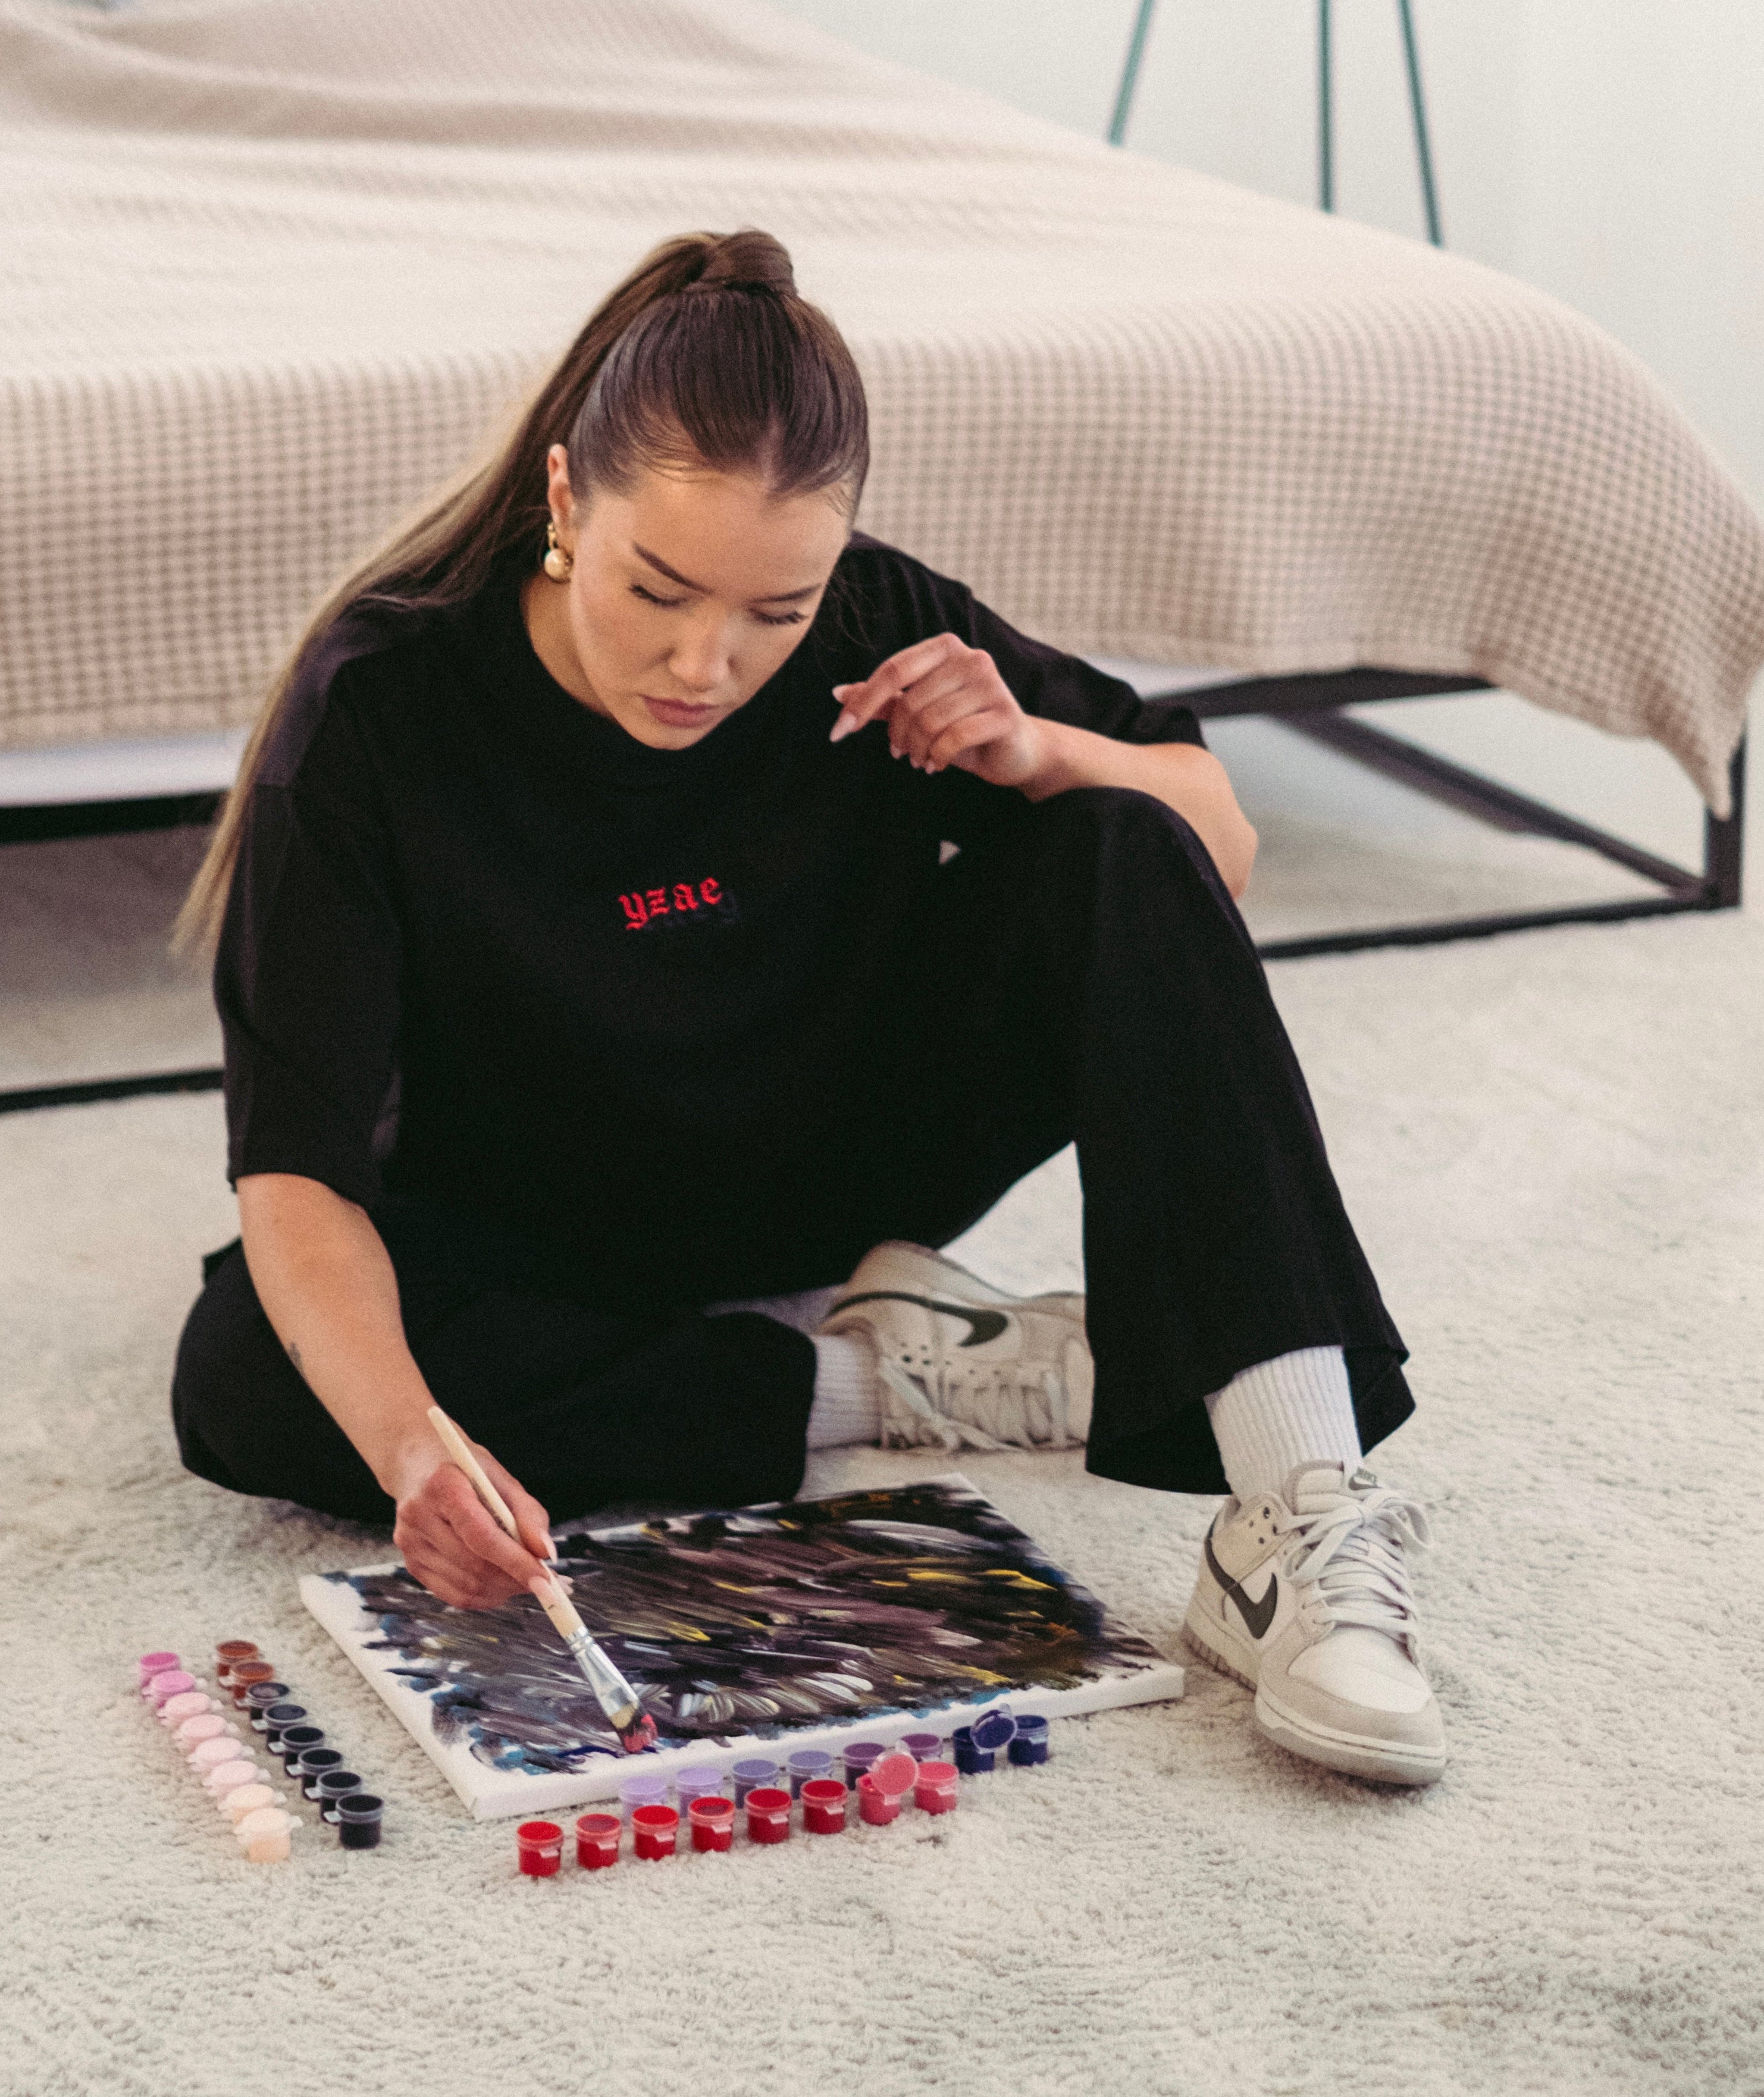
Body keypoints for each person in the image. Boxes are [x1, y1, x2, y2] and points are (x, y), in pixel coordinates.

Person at [170, 228, 1445, 1789]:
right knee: (253, 1375)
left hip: (837, 1152)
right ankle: (894, 1375)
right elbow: (295, 1173)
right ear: (567, 502)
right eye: (658, 590)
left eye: (776, 609)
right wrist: (411, 1449)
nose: (707, 663)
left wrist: (1041, 751)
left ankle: (1294, 1522)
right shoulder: (378, 713)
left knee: (1126, 836)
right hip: (527, 1216)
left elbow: (1212, 837)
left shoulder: (878, 623)